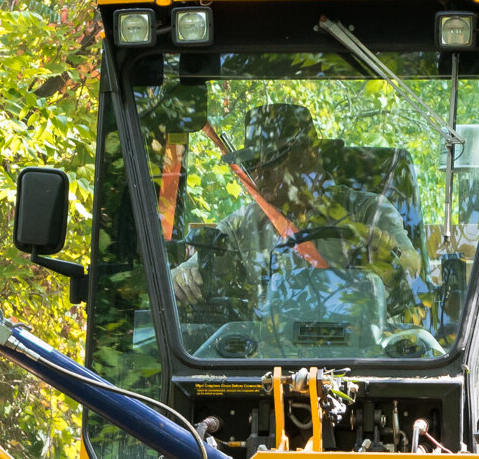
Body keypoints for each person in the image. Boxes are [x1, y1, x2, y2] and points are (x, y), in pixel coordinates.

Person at [172, 103, 424, 310]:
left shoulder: (370, 211)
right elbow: (190, 276)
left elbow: (414, 277)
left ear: (307, 158)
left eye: (271, 162)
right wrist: (181, 278)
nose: (260, 176)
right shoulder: (241, 226)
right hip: (263, 362)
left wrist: (389, 270)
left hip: (359, 354)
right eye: (253, 166)